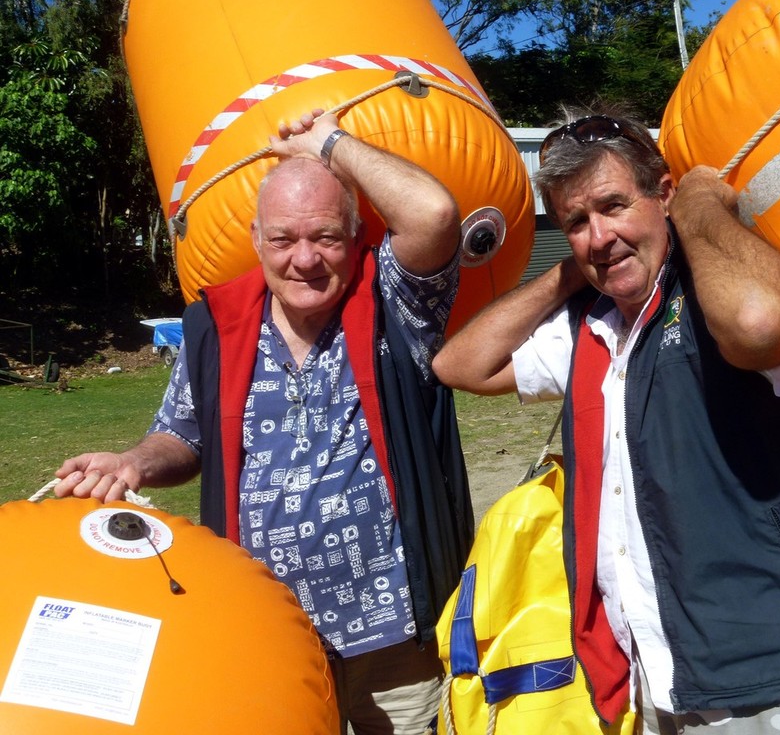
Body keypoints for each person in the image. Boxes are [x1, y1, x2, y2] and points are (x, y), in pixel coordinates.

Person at [431, 110, 780, 734]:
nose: (598, 234)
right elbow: (461, 364)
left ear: (663, 194)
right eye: (575, 222)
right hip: (664, 673)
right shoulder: (592, 327)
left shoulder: (728, 290)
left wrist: (699, 203)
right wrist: (573, 270)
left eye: (614, 206)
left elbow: (758, 324)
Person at [54, 111, 474, 734]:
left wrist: (327, 143)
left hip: (397, 644)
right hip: (269, 633)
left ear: (357, 235)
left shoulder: (395, 302)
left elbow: (435, 214)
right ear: (256, 239)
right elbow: (184, 434)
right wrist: (134, 462)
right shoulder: (217, 330)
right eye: (283, 239)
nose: (304, 259)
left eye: (326, 237)